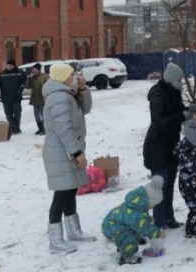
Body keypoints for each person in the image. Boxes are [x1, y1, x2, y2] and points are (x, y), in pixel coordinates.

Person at [42, 62, 95, 254]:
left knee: (70, 190)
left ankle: (74, 231)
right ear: (62, 77)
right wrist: (77, 153)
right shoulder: (58, 97)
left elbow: (85, 109)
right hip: (61, 153)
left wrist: (83, 89)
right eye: (71, 75)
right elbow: (63, 129)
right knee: (61, 194)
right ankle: (55, 241)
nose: (75, 77)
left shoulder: (67, 94)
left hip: (66, 151)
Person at [143, 62, 196, 232]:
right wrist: (181, 115)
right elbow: (158, 121)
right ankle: (158, 224)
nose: (181, 82)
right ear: (171, 79)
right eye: (179, 79)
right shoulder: (157, 96)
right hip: (157, 147)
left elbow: (178, 111)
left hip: (172, 145)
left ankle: (169, 217)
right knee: (159, 187)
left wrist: (188, 111)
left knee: (170, 183)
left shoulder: (174, 92)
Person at [102, 175, 167, 265]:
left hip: (112, 225)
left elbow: (144, 219)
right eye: (153, 204)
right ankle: (126, 256)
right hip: (112, 229)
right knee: (133, 235)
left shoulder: (135, 204)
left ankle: (122, 245)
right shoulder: (136, 214)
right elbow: (145, 226)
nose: (153, 207)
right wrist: (156, 233)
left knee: (133, 229)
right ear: (148, 201)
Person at [0, 59, 26, 133]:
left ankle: (17, 127)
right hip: (6, 98)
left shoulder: (20, 73)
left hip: (16, 97)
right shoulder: (2, 74)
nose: (9, 67)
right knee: (8, 114)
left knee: (17, 113)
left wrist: (21, 87)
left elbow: (24, 80)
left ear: (14, 66)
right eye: (8, 65)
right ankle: (13, 127)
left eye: (11, 65)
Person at [25, 63, 48, 135]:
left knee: (43, 114)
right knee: (36, 115)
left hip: (42, 98)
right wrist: (29, 78)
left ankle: (44, 129)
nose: (33, 71)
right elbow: (27, 86)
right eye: (32, 70)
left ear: (38, 70)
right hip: (35, 98)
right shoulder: (32, 77)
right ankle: (40, 128)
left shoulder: (45, 76)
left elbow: (48, 86)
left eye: (34, 70)